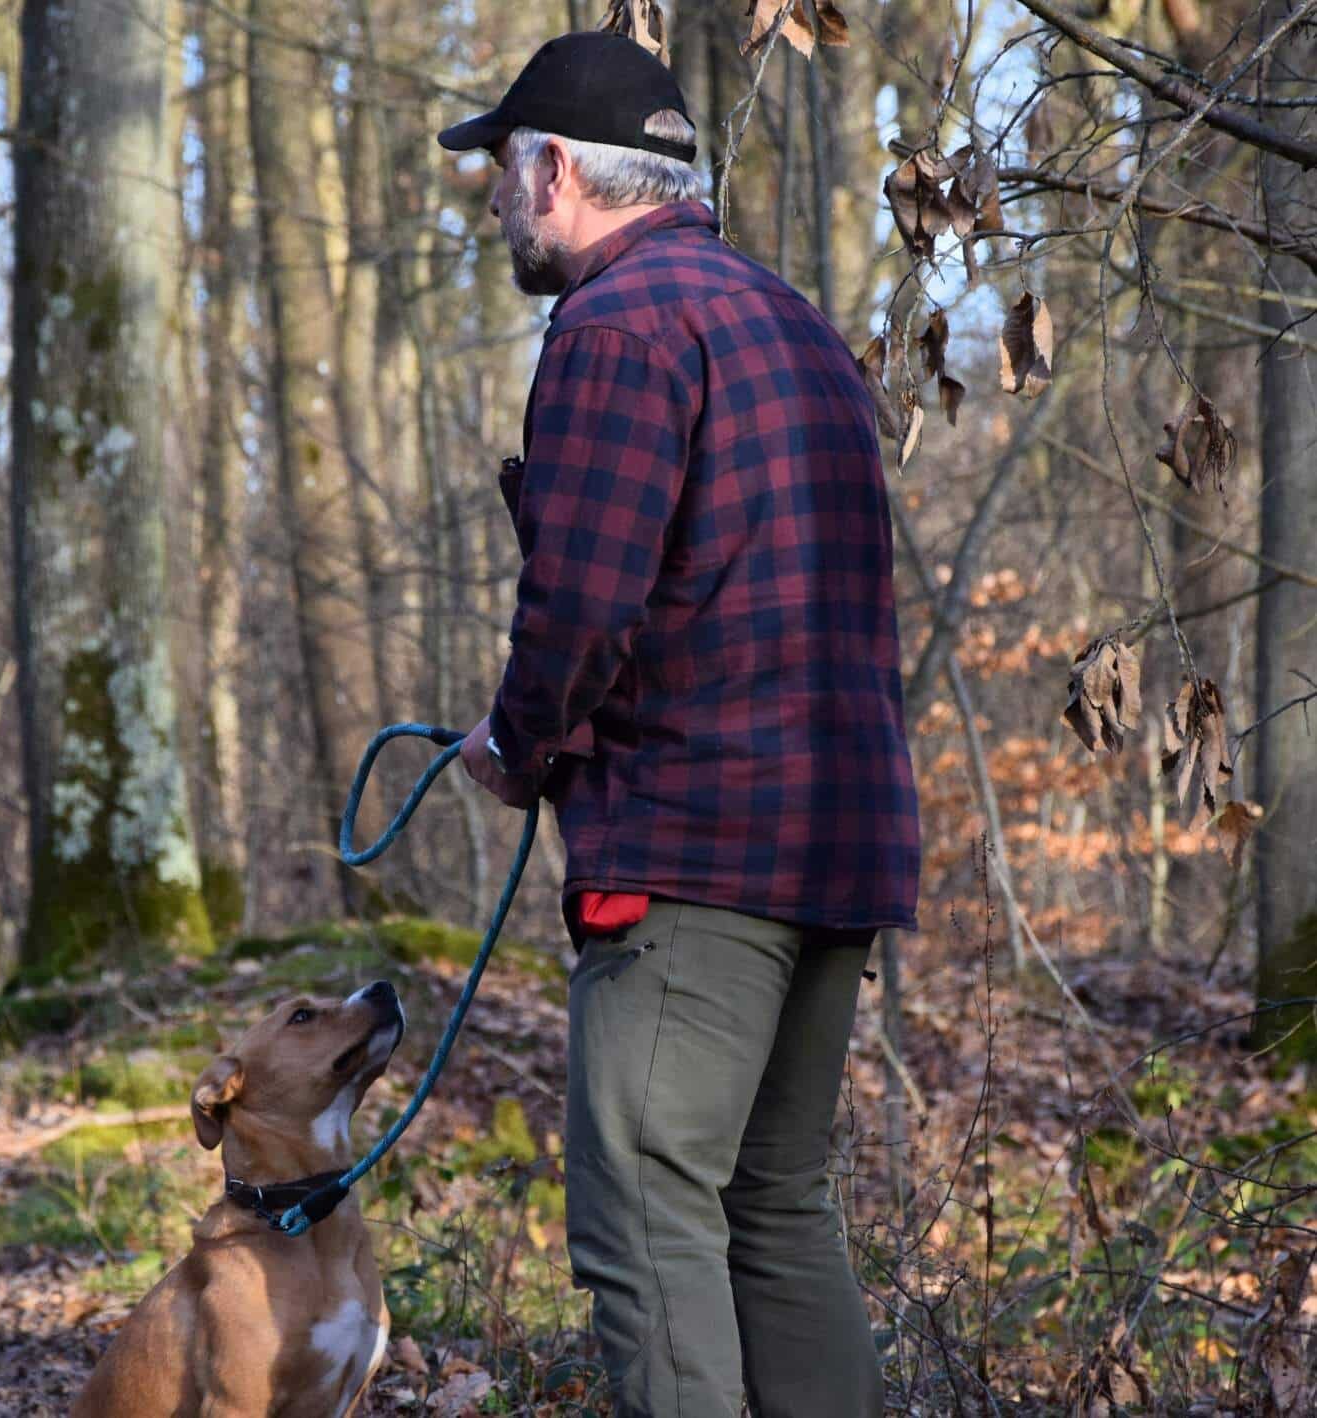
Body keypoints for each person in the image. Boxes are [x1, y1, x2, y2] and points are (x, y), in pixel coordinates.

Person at [440, 30, 919, 1418]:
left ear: (552, 171)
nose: (490, 203)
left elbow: (582, 609)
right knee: (775, 1209)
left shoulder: (613, 327)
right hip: (835, 855)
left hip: (691, 857)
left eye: (497, 172)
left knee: (648, 1219)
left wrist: (509, 749)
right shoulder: (792, 323)